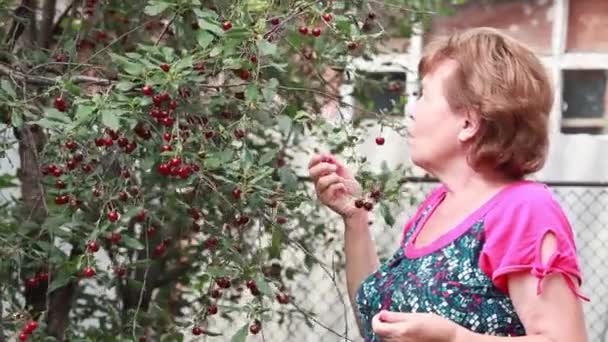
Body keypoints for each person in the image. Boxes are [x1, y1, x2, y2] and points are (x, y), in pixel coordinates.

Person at [308, 27, 589, 342]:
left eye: (423, 96)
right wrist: (355, 218)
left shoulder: (523, 210)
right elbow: (379, 327)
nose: (410, 112)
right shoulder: (434, 207)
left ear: (468, 122)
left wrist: (456, 338)